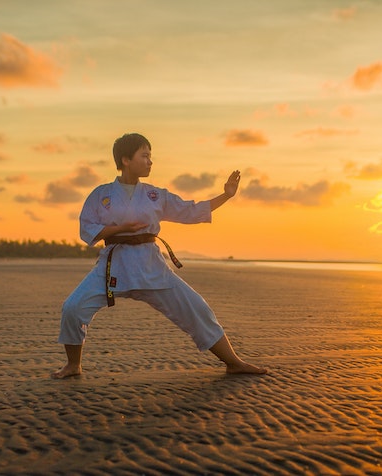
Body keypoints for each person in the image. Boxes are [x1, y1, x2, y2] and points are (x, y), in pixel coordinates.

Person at [51, 133, 267, 379]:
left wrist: (226, 195)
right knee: (73, 308)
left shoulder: (156, 195)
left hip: (151, 265)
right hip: (114, 265)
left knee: (196, 307)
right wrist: (120, 229)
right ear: (125, 160)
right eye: (144, 156)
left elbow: (191, 211)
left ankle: (233, 362)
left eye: (150, 156)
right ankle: (73, 365)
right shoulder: (101, 195)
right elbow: (86, 228)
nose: (150, 161)